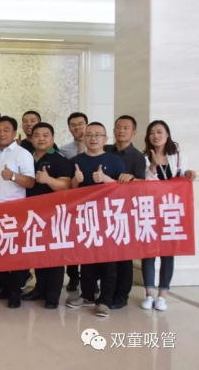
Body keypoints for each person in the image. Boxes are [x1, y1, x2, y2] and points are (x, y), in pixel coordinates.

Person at [66, 122, 125, 318]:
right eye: (89, 134)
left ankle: (105, 301)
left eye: (98, 135)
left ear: (105, 139)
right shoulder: (76, 160)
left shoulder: (115, 161)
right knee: (86, 259)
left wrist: (106, 179)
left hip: (109, 217)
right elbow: (70, 191)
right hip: (85, 217)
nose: (93, 138)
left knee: (109, 260)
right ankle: (87, 295)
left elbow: (125, 190)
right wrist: (76, 181)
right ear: (84, 138)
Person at [140, 120, 197, 311]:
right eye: (152, 132)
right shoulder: (144, 157)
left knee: (167, 252)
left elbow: (180, 178)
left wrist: (188, 173)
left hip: (170, 210)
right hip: (150, 209)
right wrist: (153, 166)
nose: (156, 136)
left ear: (167, 134)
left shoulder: (178, 156)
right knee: (148, 252)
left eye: (159, 132)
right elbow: (144, 183)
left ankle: (162, 295)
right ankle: (149, 294)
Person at [0, 116, 35, 308]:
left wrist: (12, 176)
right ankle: (1, 287)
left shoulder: (23, 154)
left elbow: (30, 182)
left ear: (14, 133)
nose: (2, 133)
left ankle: (15, 291)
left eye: (6, 130)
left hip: (15, 209)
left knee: (16, 252)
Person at [21, 122, 71, 309]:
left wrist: (48, 179)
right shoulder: (27, 157)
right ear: (31, 138)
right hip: (31, 215)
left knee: (54, 255)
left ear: (52, 138)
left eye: (45, 135)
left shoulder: (60, 159)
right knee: (38, 253)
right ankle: (40, 289)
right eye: (37, 135)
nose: (41, 139)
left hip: (53, 215)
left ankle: (53, 295)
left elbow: (66, 186)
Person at [105, 115, 147, 310]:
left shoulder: (138, 157)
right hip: (105, 211)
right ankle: (107, 292)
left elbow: (142, 185)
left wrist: (131, 179)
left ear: (134, 132)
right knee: (107, 256)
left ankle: (122, 295)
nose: (121, 131)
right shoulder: (106, 151)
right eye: (118, 127)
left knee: (123, 256)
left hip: (126, 213)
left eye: (126, 128)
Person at [59, 111, 88, 291]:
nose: (78, 128)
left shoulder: (99, 147)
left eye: (80, 124)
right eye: (74, 125)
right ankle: (73, 277)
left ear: (87, 125)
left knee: (89, 240)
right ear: (69, 129)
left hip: (92, 202)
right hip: (71, 202)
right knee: (71, 241)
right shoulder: (64, 151)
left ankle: (90, 279)